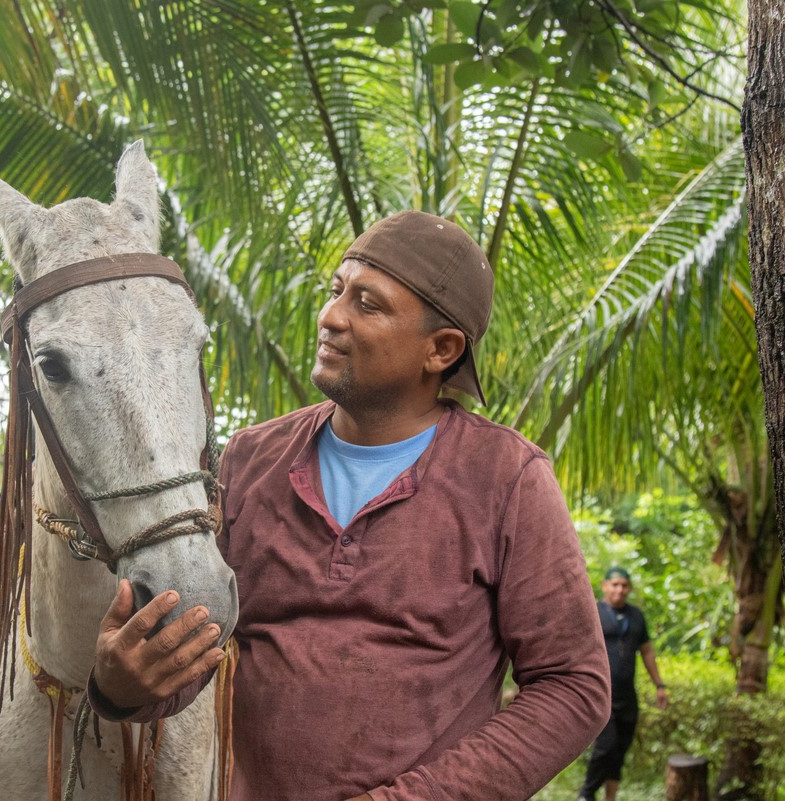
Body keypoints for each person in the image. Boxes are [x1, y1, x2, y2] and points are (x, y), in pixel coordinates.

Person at [89, 211, 611, 801]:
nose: (330, 316)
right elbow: (198, 646)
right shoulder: (251, 459)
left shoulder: (507, 479)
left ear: (440, 350)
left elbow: (574, 686)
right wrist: (123, 684)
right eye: (337, 290)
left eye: (368, 304)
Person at [577, 567, 669, 801]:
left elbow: (647, 652)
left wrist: (659, 685)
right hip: (601, 695)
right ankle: (586, 794)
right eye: (615, 584)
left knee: (619, 751)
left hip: (628, 697)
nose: (620, 589)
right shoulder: (593, 612)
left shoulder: (636, 616)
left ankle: (611, 797)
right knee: (606, 747)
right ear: (604, 585)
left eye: (624, 585)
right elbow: (578, 649)